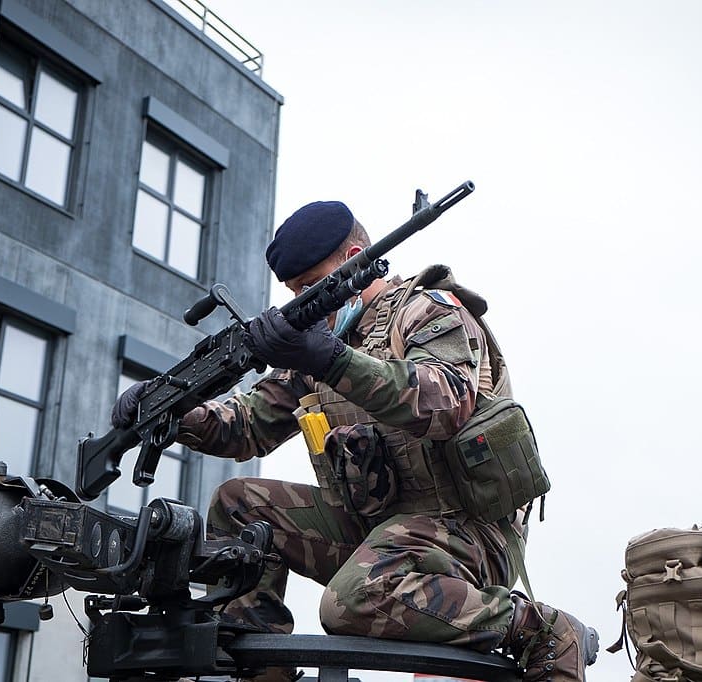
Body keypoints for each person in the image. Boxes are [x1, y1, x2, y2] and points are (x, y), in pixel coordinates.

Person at [112, 200, 599, 682]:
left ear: (351, 263)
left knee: (351, 599)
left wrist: (330, 361)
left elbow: (445, 402)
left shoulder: (428, 310)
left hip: (468, 531)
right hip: (379, 534)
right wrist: (174, 411)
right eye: (293, 291)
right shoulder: (317, 342)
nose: (302, 301)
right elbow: (247, 424)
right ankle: (260, 669)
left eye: (310, 286)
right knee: (240, 506)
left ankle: (539, 628)